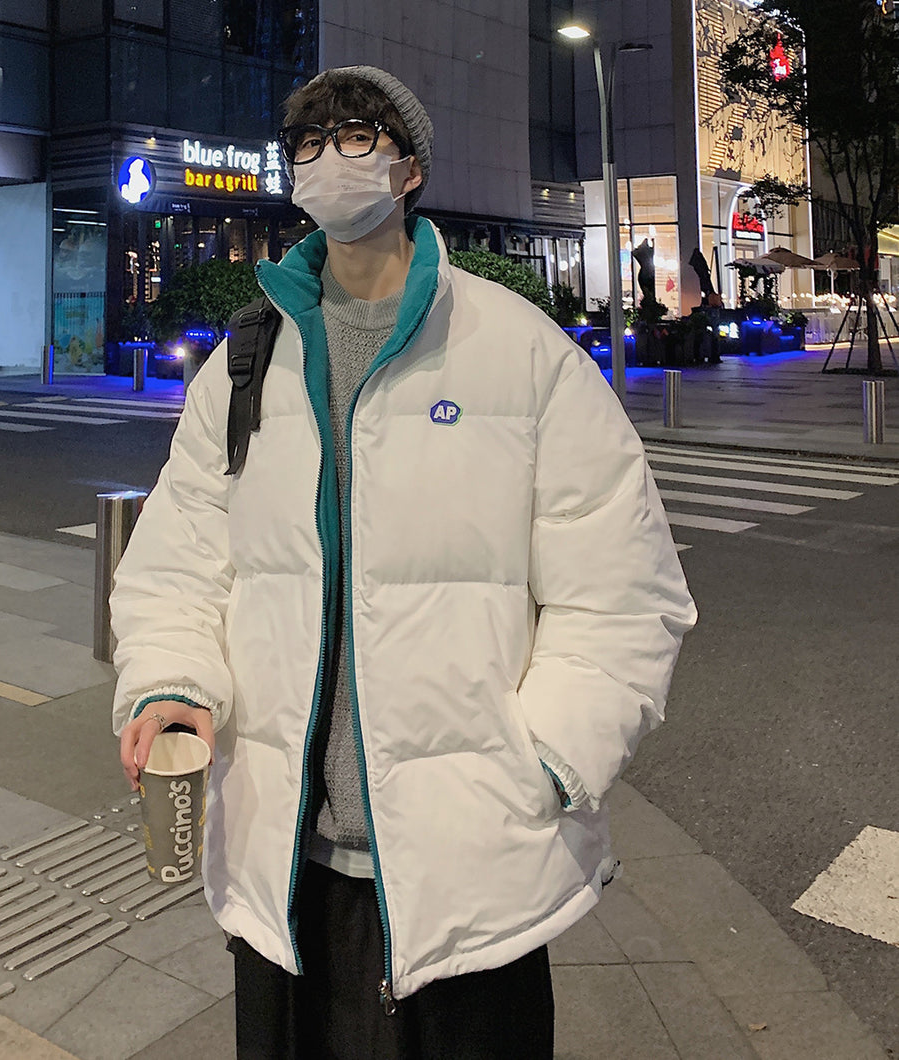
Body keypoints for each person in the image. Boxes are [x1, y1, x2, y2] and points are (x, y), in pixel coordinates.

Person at [112, 65, 696, 1059]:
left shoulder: (519, 351)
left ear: (409, 168)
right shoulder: (248, 359)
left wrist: (547, 762)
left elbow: (624, 591)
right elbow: (179, 561)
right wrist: (172, 684)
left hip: (471, 865)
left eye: (355, 138)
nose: (327, 161)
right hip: (285, 863)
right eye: (307, 144)